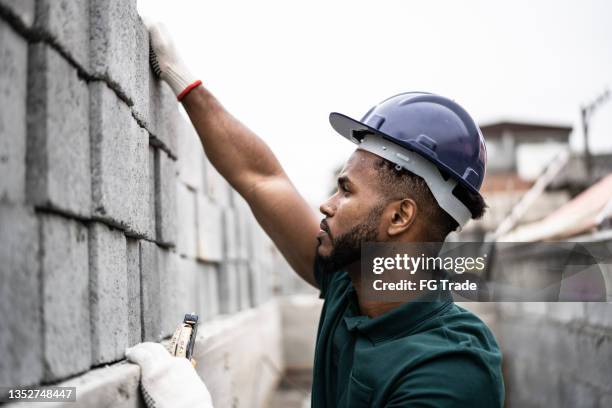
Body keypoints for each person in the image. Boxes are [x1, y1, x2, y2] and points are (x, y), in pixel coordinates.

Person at [127, 20, 504, 408]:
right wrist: (184, 82)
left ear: (399, 217)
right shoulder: (353, 283)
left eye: (345, 190)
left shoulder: (450, 373)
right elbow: (261, 178)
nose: (326, 205)